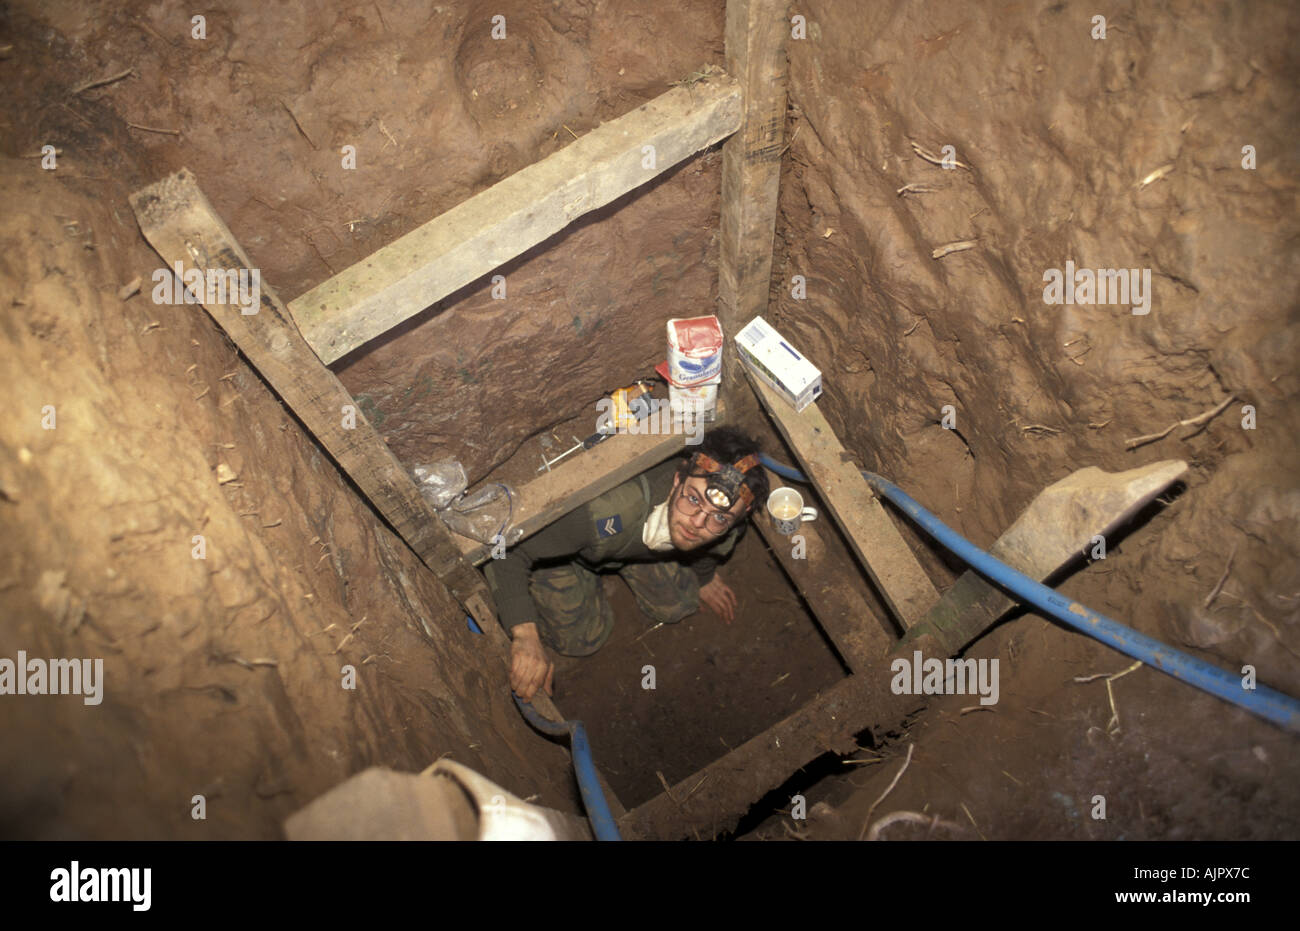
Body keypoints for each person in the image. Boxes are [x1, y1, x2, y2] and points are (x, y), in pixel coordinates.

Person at [485, 426, 769, 701]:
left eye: (720, 517)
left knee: (679, 603)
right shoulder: (603, 512)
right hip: (570, 548)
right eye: (693, 498)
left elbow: (713, 549)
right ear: (677, 478)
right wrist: (524, 634)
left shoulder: (723, 526)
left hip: (627, 545)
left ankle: (626, 556)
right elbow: (503, 549)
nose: (697, 522)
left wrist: (705, 579)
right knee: (582, 639)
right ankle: (578, 568)